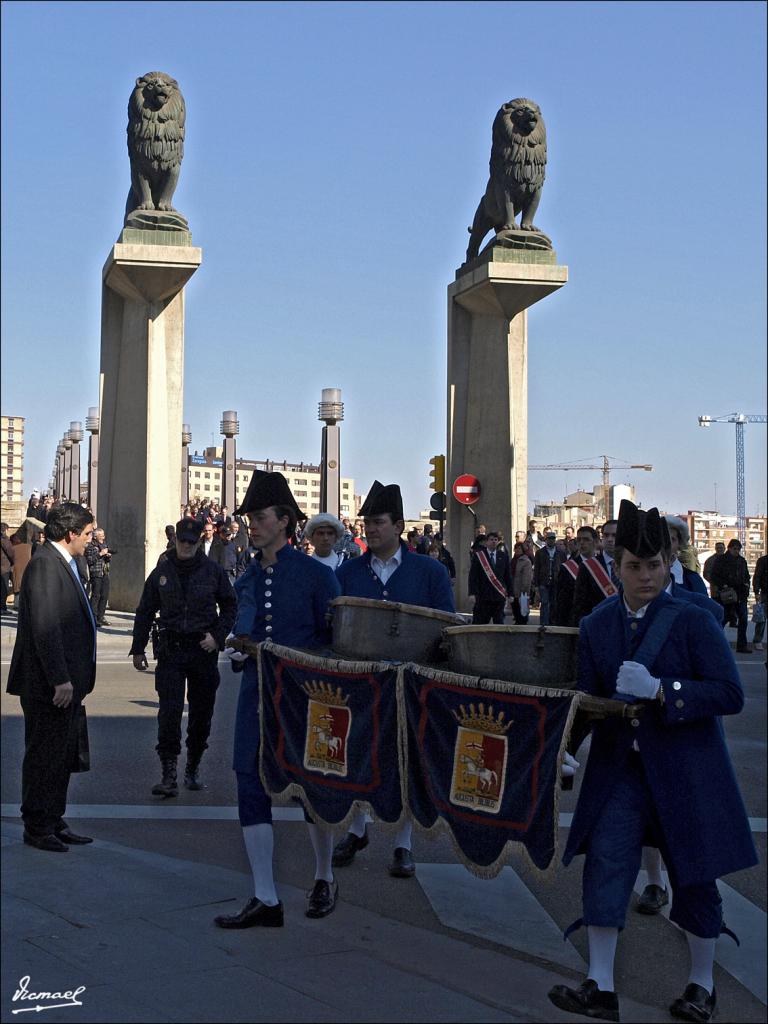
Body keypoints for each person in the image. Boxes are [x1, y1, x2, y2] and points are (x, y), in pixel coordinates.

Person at [548, 501, 756, 1024]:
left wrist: (666, 690)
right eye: (634, 567)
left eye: (654, 566)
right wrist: (565, 751)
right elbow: (587, 699)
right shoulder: (598, 625)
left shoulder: (694, 619)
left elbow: (730, 694)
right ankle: (599, 985)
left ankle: (701, 985)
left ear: (668, 564)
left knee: (694, 875)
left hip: (685, 769)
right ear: (616, 567)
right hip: (622, 770)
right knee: (606, 866)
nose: (645, 576)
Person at [215, 471, 342, 927]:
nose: (253, 524)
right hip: (255, 693)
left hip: (303, 698)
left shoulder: (315, 576)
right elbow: (245, 627)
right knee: (249, 781)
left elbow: (334, 643)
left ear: (285, 521)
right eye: (250, 517)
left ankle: (324, 875)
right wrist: (237, 646)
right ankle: (265, 896)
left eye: (260, 516)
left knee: (313, 787)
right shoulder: (247, 577)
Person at [333, 480, 455, 879]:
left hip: (411, 683)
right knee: (358, 756)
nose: (370, 529)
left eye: (379, 522)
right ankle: (357, 828)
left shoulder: (431, 572)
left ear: (400, 525)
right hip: (362, 684)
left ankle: (403, 843)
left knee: (405, 759)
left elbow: (446, 629)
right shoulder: (348, 572)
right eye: (367, 522)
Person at [6, 503, 97, 852]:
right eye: (87, 534)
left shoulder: (64, 562)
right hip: (49, 687)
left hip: (67, 686)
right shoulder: (46, 564)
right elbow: (45, 628)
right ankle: (38, 825)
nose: (90, 540)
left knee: (61, 756)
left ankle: (53, 818)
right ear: (71, 533)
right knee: (45, 756)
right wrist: (60, 678)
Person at [130, 517, 237, 795]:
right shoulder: (162, 571)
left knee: (201, 714)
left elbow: (229, 607)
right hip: (172, 650)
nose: (186, 546)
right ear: (176, 539)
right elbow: (145, 610)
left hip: (203, 649)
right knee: (169, 714)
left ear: (199, 541)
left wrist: (217, 636)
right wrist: (138, 647)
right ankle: (169, 775)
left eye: (192, 541)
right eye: (182, 540)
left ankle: (193, 767)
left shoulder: (213, 571)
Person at [571, 521, 619, 626]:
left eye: (615, 535)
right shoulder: (588, 567)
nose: (610, 539)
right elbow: (579, 603)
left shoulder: (632, 566)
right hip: (597, 626)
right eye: (606, 535)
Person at [710, 539, 752, 652]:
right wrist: (723, 585)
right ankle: (714, 642)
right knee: (723, 618)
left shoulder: (742, 561)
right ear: (729, 548)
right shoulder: (721, 560)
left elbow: (747, 575)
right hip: (726, 594)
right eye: (735, 549)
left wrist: (747, 585)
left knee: (743, 619)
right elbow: (713, 575)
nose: (737, 551)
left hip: (740, 594)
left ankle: (742, 645)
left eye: (738, 549)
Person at [553, 526, 598, 627]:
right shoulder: (567, 568)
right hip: (576, 623)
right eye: (579, 540)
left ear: (595, 542)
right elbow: (562, 602)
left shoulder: (603, 565)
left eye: (586, 539)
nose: (582, 543)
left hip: (599, 621)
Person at [468, 532, 512, 624]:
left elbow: (507, 575)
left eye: (495, 540)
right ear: (487, 542)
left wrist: (510, 593)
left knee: (499, 623)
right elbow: (473, 576)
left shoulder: (503, 556)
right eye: (491, 540)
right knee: (480, 623)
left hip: (498, 596)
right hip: (483, 596)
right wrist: (472, 593)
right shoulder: (479, 556)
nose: (493, 542)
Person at [664, 516, 706, 594]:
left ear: (679, 544)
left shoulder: (692, 579)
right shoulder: (643, 576)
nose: (667, 543)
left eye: (672, 539)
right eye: (664, 538)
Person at [533, 530, 566, 626]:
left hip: (556, 581)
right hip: (544, 581)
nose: (551, 541)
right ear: (546, 540)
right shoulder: (540, 553)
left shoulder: (561, 553)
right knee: (544, 603)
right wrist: (536, 584)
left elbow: (564, 567)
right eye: (549, 539)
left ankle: (553, 623)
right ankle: (544, 624)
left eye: (552, 539)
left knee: (554, 603)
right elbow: (537, 569)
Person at [85, 527, 112, 627]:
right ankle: (93, 617)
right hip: (96, 573)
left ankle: (101, 616)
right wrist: (101, 553)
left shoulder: (104, 545)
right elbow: (90, 560)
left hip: (105, 572)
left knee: (104, 595)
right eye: (101, 536)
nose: (103, 537)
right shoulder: (90, 546)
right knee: (96, 595)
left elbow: (106, 560)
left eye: (104, 535)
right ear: (95, 537)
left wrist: (108, 556)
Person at [510, 541, 533, 624]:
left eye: (519, 548)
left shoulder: (526, 561)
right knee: (515, 607)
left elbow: (527, 577)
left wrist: (524, 589)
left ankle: (523, 622)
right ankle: (517, 620)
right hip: (513, 588)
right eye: (516, 548)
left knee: (522, 607)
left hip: (522, 589)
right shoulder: (513, 560)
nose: (517, 550)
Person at [752, 552, 766, 651]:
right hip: (765, 592)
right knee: (762, 618)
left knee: (762, 618)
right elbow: (757, 577)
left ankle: (758, 640)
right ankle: (758, 640)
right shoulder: (763, 561)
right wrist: (757, 592)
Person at [1, 522, 15, 616]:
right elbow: (11, 553)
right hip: (3, 568)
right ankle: (2, 608)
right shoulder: (4, 539)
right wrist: (13, 562)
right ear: (6, 530)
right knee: (4, 589)